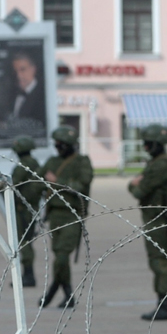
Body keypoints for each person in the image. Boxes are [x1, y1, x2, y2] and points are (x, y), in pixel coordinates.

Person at [127, 124, 167, 321]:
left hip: (157, 218)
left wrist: (132, 184)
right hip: (157, 217)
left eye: (149, 144)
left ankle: (166, 305)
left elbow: (140, 190)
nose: (146, 148)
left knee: (160, 262)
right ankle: (164, 303)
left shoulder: (160, 165)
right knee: (158, 260)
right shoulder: (161, 163)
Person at [40, 124, 94, 307]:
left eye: (61, 144)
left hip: (72, 215)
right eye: (56, 145)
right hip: (55, 215)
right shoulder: (52, 162)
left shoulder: (82, 162)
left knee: (62, 256)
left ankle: (57, 291)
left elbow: (82, 185)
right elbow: (38, 179)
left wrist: (58, 182)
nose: (58, 148)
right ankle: (66, 294)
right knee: (58, 255)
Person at [9, 136, 43, 288]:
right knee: (26, 240)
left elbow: (13, 184)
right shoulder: (35, 163)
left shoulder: (23, 166)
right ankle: (27, 274)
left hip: (23, 209)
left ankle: (28, 274)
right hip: (32, 207)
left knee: (23, 242)